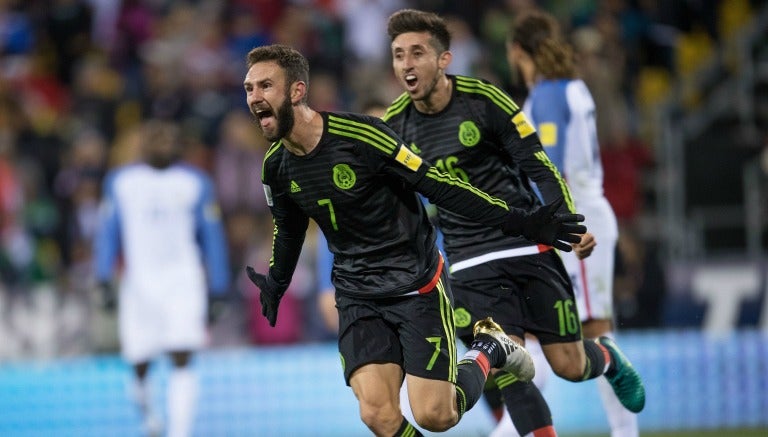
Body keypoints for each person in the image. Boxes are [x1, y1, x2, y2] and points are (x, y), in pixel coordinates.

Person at [242, 44, 585, 437]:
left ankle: (491, 347)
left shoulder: (362, 136)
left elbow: (440, 186)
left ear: (297, 91)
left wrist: (523, 221)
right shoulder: (275, 167)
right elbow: (288, 229)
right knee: (378, 414)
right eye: (249, 89)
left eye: (265, 86)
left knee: (436, 416)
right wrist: (277, 282)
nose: (254, 98)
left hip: (415, 286)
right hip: (358, 294)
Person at [383, 9, 645, 437]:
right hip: (469, 265)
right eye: (398, 56)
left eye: (417, 53)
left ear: (444, 59)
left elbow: (540, 166)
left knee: (570, 365)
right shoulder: (393, 126)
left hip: (528, 246)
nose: (407, 64)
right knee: (511, 368)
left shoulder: (484, 100)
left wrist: (567, 225)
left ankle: (610, 358)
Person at [497, 9, 641, 437]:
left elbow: (549, 163)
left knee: (593, 328)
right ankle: (512, 429)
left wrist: (545, 219)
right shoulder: (570, 87)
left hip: (574, 221)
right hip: (573, 215)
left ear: (518, 51)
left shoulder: (548, 94)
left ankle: (625, 431)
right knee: (541, 331)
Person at [93, 119, 231, 437]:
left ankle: (179, 432)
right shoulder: (121, 181)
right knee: (139, 362)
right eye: (155, 136)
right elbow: (108, 232)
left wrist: (219, 287)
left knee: (182, 355)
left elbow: (211, 237)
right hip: (139, 284)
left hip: (183, 282)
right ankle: (149, 417)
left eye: (169, 136)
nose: (162, 141)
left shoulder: (196, 182)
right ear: (143, 143)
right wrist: (102, 278)